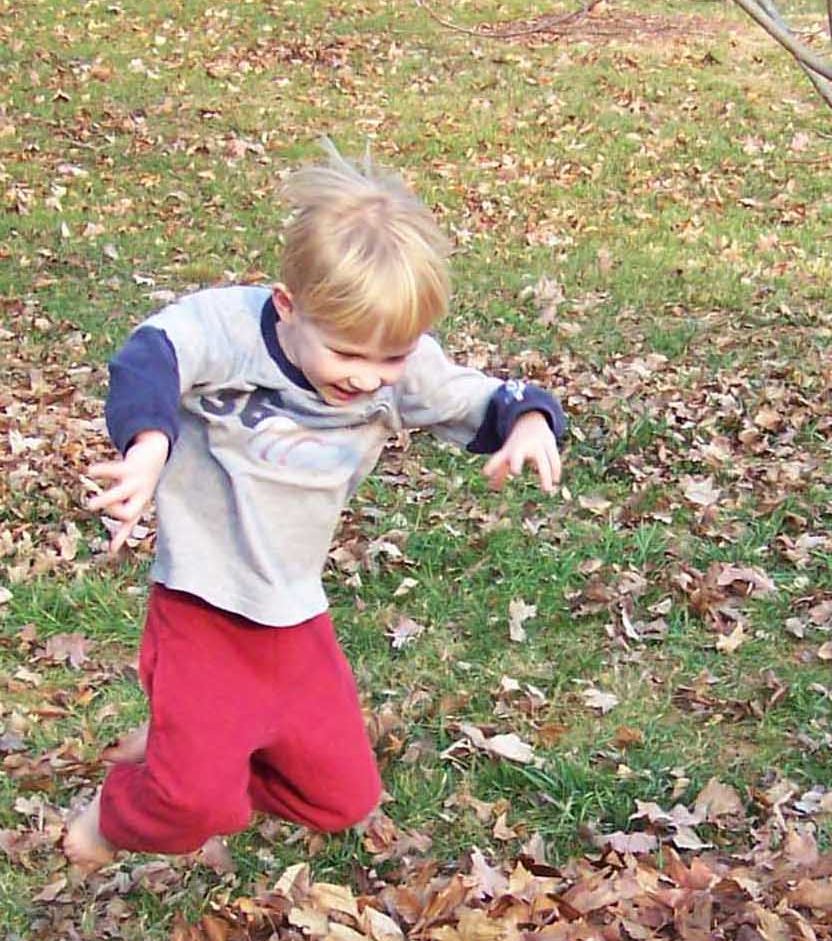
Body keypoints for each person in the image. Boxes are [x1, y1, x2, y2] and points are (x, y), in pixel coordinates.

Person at [64, 143, 567, 871]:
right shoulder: (230, 329)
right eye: (348, 354)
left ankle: (187, 744)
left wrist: (527, 422)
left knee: (341, 799)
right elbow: (151, 355)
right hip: (201, 602)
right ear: (288, 307)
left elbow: (486, 394)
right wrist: (147, 445)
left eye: (390, 358)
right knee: (197, 808)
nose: (368, 379)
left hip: (294, 609)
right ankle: (117, 812)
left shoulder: (398, 366)